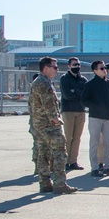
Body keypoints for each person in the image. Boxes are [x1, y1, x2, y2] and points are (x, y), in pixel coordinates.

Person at [29, 56, 77, 194]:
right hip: (49, 125)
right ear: (46, 68)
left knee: (43, 153)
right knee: (59, 153)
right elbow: (49, 104)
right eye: (55, 67)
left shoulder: (38, 82)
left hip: (39, 124)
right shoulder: (43, 83)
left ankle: (44, 183)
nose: (57, 70)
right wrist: (55, 119)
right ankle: (59, 183)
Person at [80, 60, 109, 177]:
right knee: (95, 142)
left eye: (104, 68)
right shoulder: (90, 84)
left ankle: (107, 166)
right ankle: (95, 168)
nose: (104, 70)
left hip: (108, 117)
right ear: (95, 70)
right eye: (101, 68)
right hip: (95, 117)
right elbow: (84, 100)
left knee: (108, 142)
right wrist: (95, 106)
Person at [59, 56, 87, 171]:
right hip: (68, 110)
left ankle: (73, 161)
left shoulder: (83, 80)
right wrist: (77, 92)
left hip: (80, 110)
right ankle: (65, 161)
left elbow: (85, 94)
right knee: (68, 137)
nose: (77, 67)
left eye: (78, 65)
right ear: (69, 66)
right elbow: (67, 95)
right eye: (74, 65)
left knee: (77, 137)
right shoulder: (64, 79)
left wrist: (74, 90)